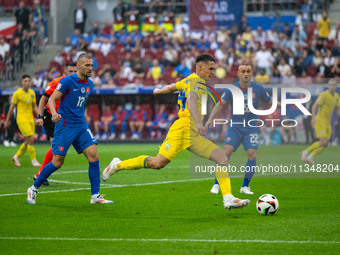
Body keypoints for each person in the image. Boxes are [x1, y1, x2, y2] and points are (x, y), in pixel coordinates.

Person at [102, 54, 250, 211]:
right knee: (158, 163)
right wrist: (199, 123)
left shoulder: (188, 80)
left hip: (193, 134)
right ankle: (117, 165)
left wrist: (160, 91)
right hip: (182, 129)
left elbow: (173, 86)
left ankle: (228, 198)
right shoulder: (196, 82)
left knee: (221, 158)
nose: (213, 72)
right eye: (210, 68)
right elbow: (191, 100)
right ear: (200, 67)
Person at [27, 54, 113, 205]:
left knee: (94, 156)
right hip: (65, 125)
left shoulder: (90, 84)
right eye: (87, 65)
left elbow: (82, 102)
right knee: (58, 162)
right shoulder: (67, 80)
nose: (90, 68)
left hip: (80, 125)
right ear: (78, 66)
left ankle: (95, 196)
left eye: (92, 65)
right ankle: (34, 188)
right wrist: (54, 114)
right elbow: (52, 99)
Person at [205, 64, 275, 195]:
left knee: (252, 154)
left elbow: (269, 100)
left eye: (248, 71)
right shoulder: (232, 89)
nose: (246, 74)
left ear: (252, 73)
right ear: (238, 73)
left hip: (251, 127)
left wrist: (281, 103)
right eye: (243, 71)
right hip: (235, 126)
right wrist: (210, 119)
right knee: (225, 153)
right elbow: (221, 103)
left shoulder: (258, 88)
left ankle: (245, 187)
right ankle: (217, 184)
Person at [34, 62, 78, 186]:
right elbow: (44, 98)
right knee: (56, 147)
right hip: (51, 116)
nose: (73, 74)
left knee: (56, 149)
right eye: (70, 71)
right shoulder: (56, 82)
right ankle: (39, 175)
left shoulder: (78, 84)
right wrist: (39, 116)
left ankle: (40, 175)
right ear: (65, 72)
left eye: (75, 71)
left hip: (65, 118)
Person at [4, 75, 41, 167]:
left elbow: (34, 106)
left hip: (30, 119)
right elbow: (11, 108)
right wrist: (7, 120)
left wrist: (40, 116)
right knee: (31, 139)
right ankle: (34, 161)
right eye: (25, 81)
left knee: (28, 141)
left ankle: (16, 157)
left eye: (29, 81)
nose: (27, 82)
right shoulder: (17, 94)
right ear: (22, 82)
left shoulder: (32, 92)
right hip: (21, 119)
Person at [301, 79, 340, 164]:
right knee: (323, 142)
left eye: (334, 85)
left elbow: (337, 109)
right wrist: (313, 118)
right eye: (330, 85)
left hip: (328, 123)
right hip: (320, 121)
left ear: (336, 86)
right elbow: (314, 106)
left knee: (325, 145)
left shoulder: (337, 96)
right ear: (328, 86)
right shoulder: (323, 95)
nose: (332, 87)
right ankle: (305, 152)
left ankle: (310, 157)